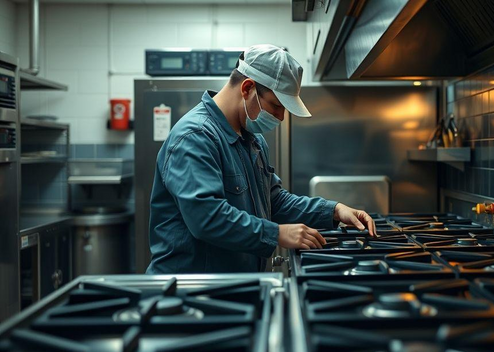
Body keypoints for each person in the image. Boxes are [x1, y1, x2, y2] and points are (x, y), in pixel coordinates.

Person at [146, 44, 376, 274]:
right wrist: (277, 234)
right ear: (247, 88)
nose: (281, 116)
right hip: (190, 291)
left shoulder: (252, 140)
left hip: (234, 287)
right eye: (277, 105)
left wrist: (333, 211)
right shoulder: (195, 137)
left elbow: (274, 202)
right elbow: (207, 219)